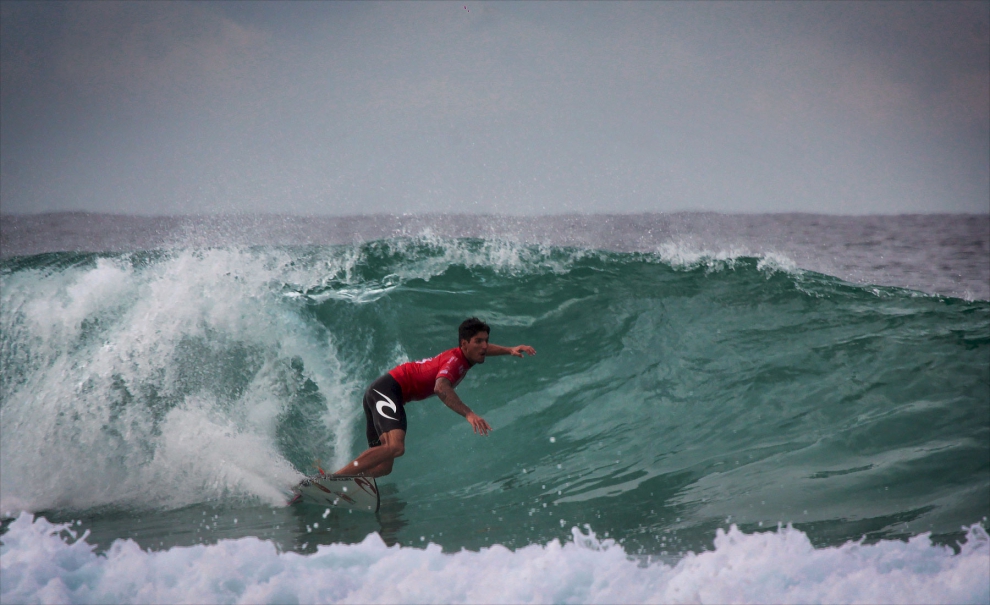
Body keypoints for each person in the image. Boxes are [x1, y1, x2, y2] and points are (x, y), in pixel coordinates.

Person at [333, 317, 536, 477]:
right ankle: (332, 479)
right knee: (395, 446)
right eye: (478, 341)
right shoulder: (454, 361)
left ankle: (345, 484)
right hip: (388, 390)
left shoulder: (466, 353)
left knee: (384, 467)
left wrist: (509, 350)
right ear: (464, 344)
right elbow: (441, 387)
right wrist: (469, 414)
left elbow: (483, 349)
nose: (484, 346)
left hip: (381, 392)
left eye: (486, 341)